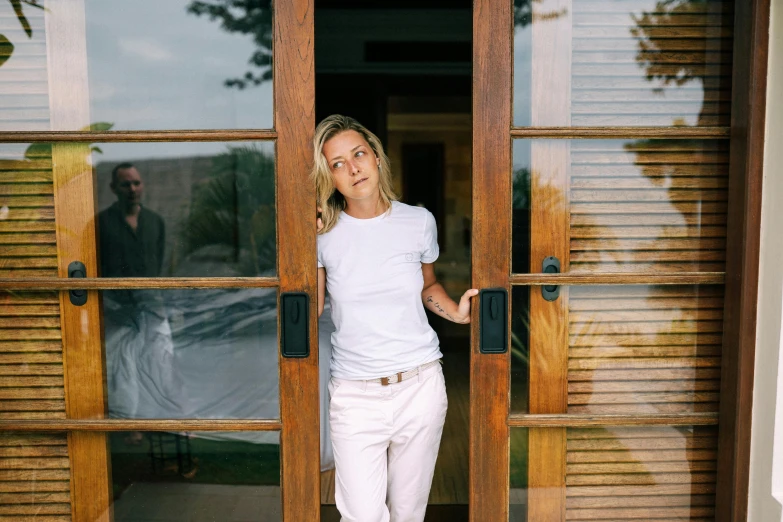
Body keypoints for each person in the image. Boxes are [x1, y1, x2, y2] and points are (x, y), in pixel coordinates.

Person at [313, 115, 478, 522]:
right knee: (363, 516)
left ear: (376, 158)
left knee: (408, 513)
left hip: (419, 387)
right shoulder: (321, 236)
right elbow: (312, 308)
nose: (352, 169)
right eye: (337, 163)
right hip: (355, 395)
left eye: (358, 155)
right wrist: (301, 239)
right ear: (328, 177)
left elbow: (427, 286)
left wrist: (454, 311)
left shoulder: (418, 221)